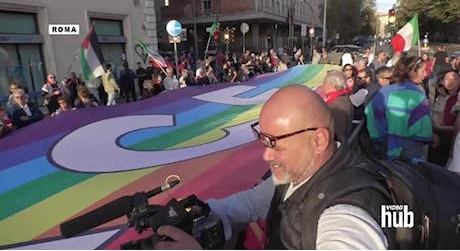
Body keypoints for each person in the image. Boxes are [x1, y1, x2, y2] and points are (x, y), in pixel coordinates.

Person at [154, 84, 388, 249]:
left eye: (275, 144)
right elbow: (250, 203)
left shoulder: (349, 213)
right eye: (264, 141)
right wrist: (194, 213)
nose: (266, 155)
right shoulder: (298, 173)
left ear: (318, 141)